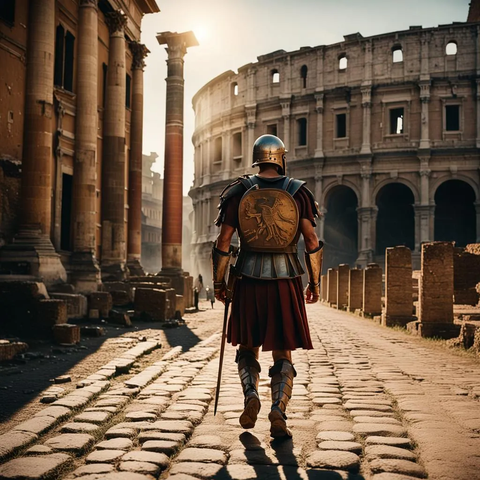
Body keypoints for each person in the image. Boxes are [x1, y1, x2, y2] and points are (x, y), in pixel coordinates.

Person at [211, 134, 323, 439]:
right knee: (282, 349)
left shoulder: (238, 191)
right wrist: (314, 282)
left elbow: (223, 242)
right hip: (286, 280)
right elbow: (311, 242)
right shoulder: (298, 193)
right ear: (281, 158)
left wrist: (219, 283)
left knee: (248, 346)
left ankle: (251, 395)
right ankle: (278, 409)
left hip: (247, 278)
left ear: (257, 158)